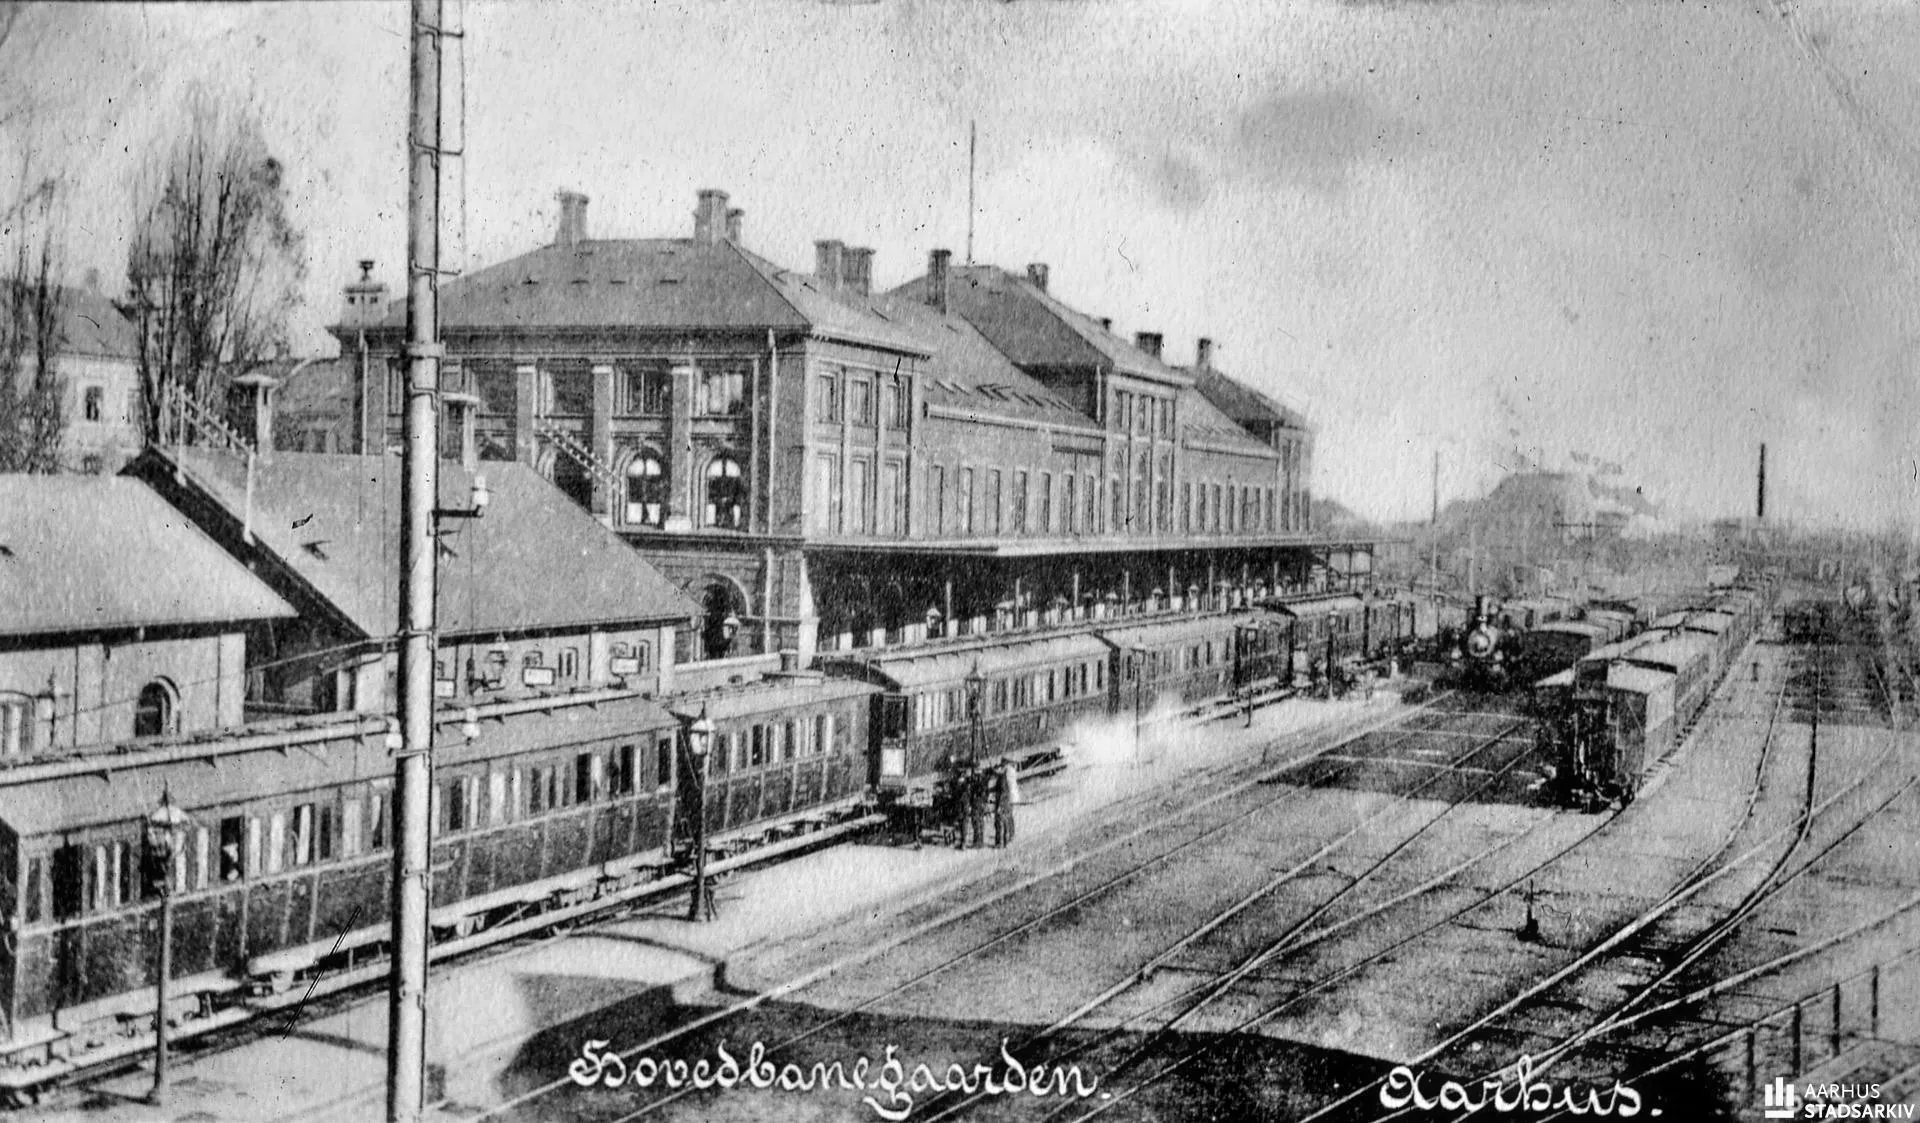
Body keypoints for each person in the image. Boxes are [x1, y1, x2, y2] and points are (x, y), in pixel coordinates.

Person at [994, 762, 1017, 848]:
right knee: (1006, 820)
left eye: (997, 770)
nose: (996, 772)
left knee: (1000, 822)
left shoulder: (1002, 779)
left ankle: (1001, 842)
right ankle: (1007, 839)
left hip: (1003, 802)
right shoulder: (1003, 777)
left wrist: (999, 806)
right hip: (1007, 801)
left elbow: (1003, 793)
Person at [968, 767, 991, 849]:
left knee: (976, 822)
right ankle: (980, 842)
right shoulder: (984, 781)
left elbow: (974, 793)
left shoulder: (977, 783)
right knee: (980, 822)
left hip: (977, 804)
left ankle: (977, 843)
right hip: (982, 804)